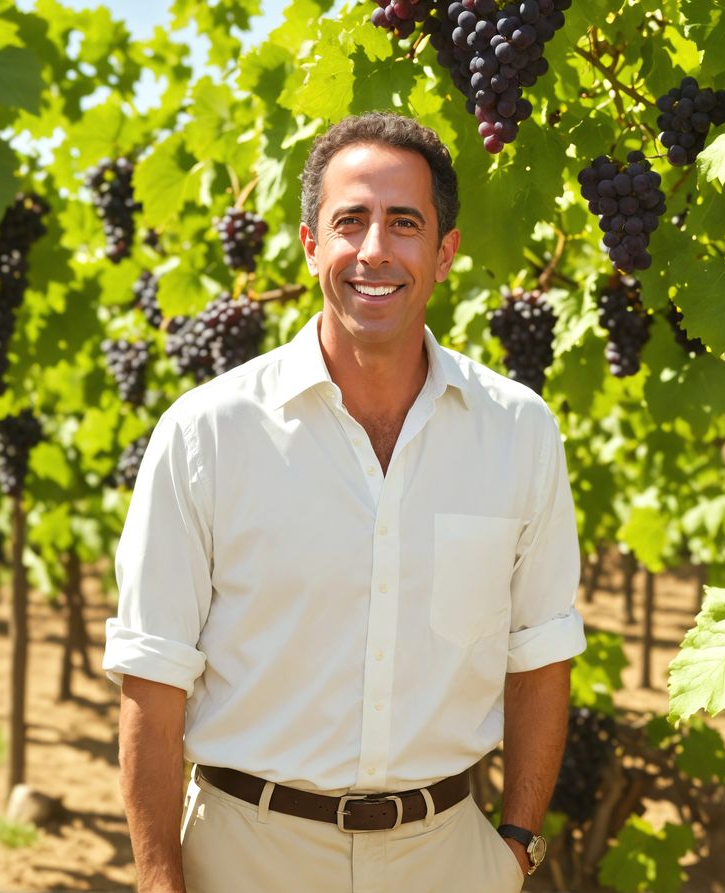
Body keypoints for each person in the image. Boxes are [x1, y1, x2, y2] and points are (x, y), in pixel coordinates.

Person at [104, 111, 585, 893]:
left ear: (445, 252)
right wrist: (161, 883)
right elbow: (151, 681)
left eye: (403, 224)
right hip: (247, 859)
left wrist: (515, 848)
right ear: (309, 244)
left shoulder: (517, 430)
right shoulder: (207, 432)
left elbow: (540, 654)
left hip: (449, 860)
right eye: (349, 221)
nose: (374, 250)